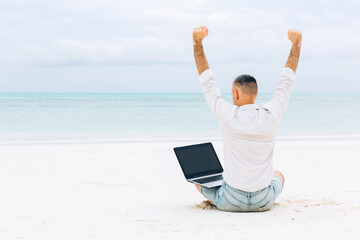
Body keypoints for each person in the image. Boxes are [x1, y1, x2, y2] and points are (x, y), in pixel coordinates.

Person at [192, 26, 302, 212]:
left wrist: (197, 42)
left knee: (198, 181)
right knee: (279, 175)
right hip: (263, 200)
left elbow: (207, 82)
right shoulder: (271, 115)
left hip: (231, 200)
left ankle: (217, 199)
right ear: (256, 94)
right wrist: (296, 44)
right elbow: (286, 82)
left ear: (235, 93)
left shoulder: (227, 115)